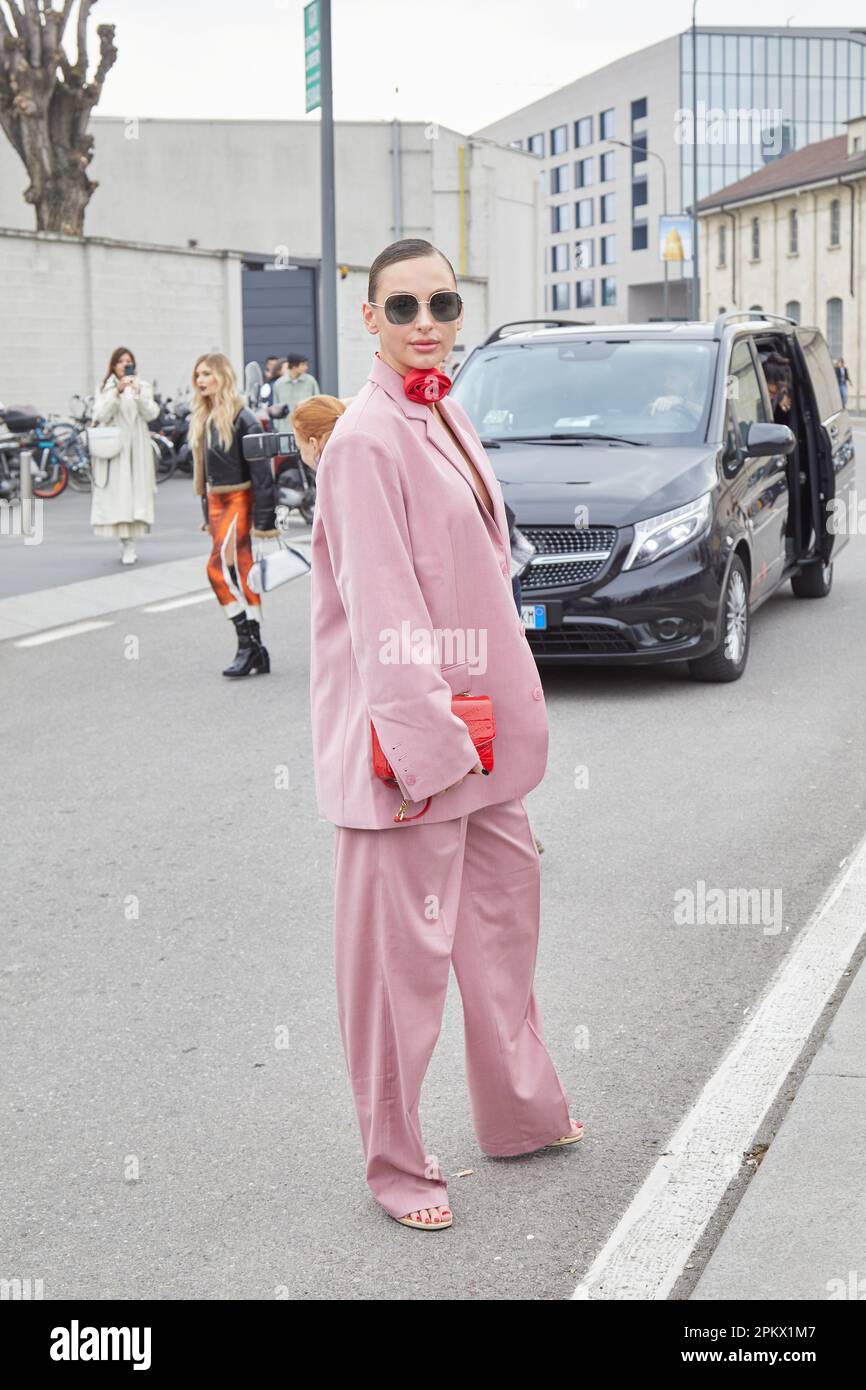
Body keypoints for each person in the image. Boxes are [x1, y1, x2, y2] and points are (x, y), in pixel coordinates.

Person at [309, 237, 583, 1233]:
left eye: (441, 301)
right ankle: (396, 1166)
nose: (425, 319)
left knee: (503, 932)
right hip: (413, 753)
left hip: (483, 739)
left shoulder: (446, 407)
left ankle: (518, 1110)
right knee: (399, 974)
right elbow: (382, 617)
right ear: (368, 319)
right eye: (402, 306)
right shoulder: (365, 440)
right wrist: (427, 758)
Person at [189, 352, 278, 677]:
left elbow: (262, 472)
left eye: (207, 374)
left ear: (222, 377)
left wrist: (265, 519)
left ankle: (247, 644)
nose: (200, 380)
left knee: (216, 569)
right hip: (215, 502)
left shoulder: (244, 417)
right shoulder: (203, 416)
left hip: (239, 498)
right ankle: (255, 648)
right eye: (197, 375)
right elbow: (204, 474)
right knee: (240, 570)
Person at [89, 346, 160, 565]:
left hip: (137, 448)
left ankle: (131, 542)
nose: (124, 365)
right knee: (119, 495)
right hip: (115, 449)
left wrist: (137, 394)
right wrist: (116, 393)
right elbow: (100, 414)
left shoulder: (143, 386)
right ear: (113, 365)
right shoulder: (106, 388)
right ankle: (125, 541)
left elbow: (151, 414)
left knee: (137, 494)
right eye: (120, 361)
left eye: (128, 361)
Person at [272, 354, 320, 421]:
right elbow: (275, 406)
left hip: (305, 424)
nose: (306, 367)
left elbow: (317, 402)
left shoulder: (311, 381)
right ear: (294, 366)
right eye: (303, 365)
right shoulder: (279, 384)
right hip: (285, 427)